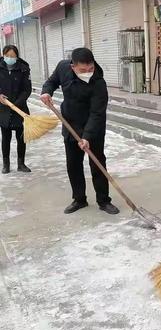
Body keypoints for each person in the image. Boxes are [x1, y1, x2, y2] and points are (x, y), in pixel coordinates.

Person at [40, 47, 119, 215]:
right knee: (73, 165)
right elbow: (51, 81)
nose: (88, 73)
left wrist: (87, 137)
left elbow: (97, 113)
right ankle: (79, 199)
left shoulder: (98, 82)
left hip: (94, 128)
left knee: (97, 164)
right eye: (83, 70)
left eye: (90, 69)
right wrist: (46, 92)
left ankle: (104, 200)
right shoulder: (62, 68)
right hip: (70, 125)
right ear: (72, 66)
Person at [0, 45, 32, 174]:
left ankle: (21, 163)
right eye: (8, 56)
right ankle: (6, 164)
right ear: (3, 55)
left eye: (13, 56)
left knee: (21, 137)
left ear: (17, 56)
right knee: (5, 137)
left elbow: (27, 89)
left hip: (20, 108)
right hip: (3, 108)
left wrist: (17, 103)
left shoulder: (23, 68)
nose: (10, 58)